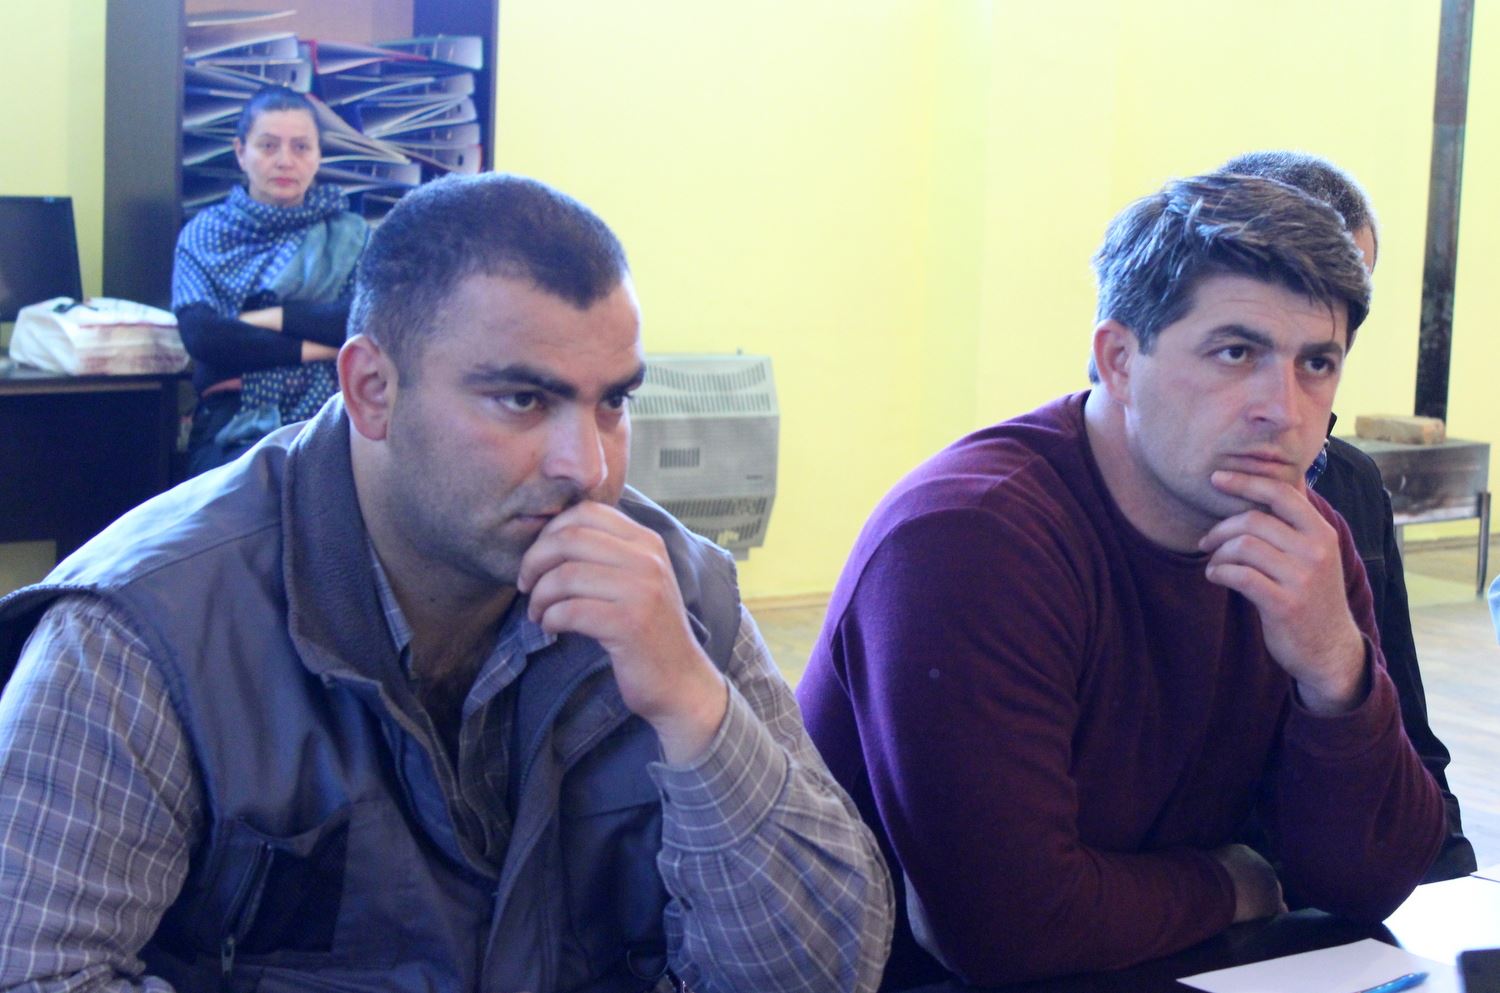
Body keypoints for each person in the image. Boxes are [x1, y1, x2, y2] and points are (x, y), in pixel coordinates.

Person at [0, 174, 893, 993]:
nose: (587, 467)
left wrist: (697, 709)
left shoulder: (677, 596)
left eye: (613, 402)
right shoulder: (146, 629)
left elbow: (825, 975)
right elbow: (38, 969)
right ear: (372, 389)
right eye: (524, 400)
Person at [796, 173, 1446, 989]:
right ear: (1119, 360)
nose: (1282, 409)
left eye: (1317, 362)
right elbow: (1007, 931)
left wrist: (1335, 668)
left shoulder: (1303, 541)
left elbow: (1373, 881)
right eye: (1235, 352)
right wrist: (1230, 884)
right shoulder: (969, 538)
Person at [1218, 149, 1477, 883]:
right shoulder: (1133, 502)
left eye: (1349, 290)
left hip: (1331, 882)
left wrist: (1448, 871)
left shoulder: (1353, 486)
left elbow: (1410, 739)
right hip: (1219, 893)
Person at [172, 85, 369, 477]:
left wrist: (263, 318)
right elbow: (205, 337)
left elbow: (358, 322)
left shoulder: (350, 235)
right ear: (240, 152)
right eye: (268, 146)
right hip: (230, 422)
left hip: (337, 419)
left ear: (318, 155)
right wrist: (323, 348)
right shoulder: (205, 234)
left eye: (301, 147)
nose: (285, 161)